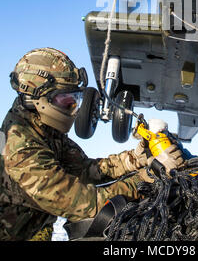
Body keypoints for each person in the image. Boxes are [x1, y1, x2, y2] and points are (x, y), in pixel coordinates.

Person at [0, 47, 183, 241]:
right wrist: (146, 178)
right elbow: (86, 204)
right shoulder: (19, 149)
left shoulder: (42, 129)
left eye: (74, 100)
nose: (74, 108)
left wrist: (134, 159)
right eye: (65, 100)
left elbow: (86, 170)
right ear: (36, 97)